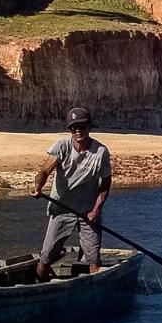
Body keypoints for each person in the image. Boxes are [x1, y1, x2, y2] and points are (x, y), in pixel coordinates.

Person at [31, 107, 112, 280]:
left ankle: (94, 289)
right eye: (73, 128)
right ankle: (39, 285)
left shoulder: (101, 152)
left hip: (88, 213)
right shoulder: (62, 146)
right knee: (46, 256)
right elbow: (44, 171)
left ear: (89, 127)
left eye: (82, 127)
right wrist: (38, 187)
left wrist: (96, 210)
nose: (78, 131)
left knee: (93, 259)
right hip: (61, 209)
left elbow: (105, 183)